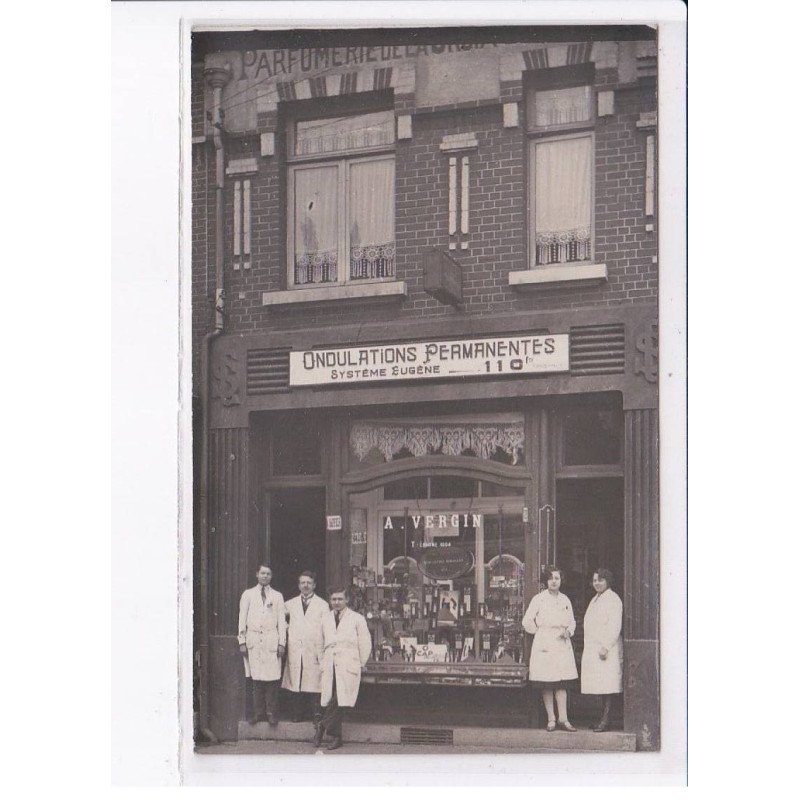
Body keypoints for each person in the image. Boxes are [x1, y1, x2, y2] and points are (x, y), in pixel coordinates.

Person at [314, 586, 372, 751]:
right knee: (333, 698)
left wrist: (361, 662)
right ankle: (336, 736)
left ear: (346, 600)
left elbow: (365, 642)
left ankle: (322, 727)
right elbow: (319, 641)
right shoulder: (325, 618)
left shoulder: (357, 618)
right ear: (330, 601)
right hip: (330, 661)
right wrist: (322, 660)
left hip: (348, 662)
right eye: (334, 599)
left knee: (340, 698)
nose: (337, 602)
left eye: (340, 599)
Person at [521, 566, 579, 732]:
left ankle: (564, 719)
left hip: (562, 644)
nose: (554, 581)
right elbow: (527, 621)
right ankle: (551, 719)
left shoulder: (565, 599)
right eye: (551, 578)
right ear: (546, 581)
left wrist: (568, 631)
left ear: (561, 581)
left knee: (562, 683)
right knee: (547, 683)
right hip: (545, 643)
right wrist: (540, 633)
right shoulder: (539, 599)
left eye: (557, 578)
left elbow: (572, 621)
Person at [238, 564, 286, 725]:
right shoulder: (248, 594)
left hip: (271, 640)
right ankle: (258, 714)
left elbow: (281, 621)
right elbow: (242, 618)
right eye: (262, 573)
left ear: (271, 576)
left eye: (268, 574)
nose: (265, 576)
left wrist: (282, 643)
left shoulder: (277, 596)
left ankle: (271, 713)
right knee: (256, 679)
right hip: (253, 640)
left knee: (272, 679)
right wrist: (242, 641)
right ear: (257, 574)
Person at [281, 571, 329, 729]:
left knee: (314, 684)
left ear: (314, 585)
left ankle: (315, 715)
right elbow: (277, 617)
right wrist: (287, 629)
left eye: (309, 582)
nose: (306, 585)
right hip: (296, 648)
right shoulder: (290, 603)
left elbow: (326, 628)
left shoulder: (322, 605)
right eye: (303, 583)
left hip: (313, 649)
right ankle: (297, 714)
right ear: (299, 585)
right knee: (296, 681)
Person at [581, 568, 623, 732]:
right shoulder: (596, 599)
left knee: (608, 686)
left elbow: (615, 625)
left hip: (607, 649)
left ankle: (607, 720)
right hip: (595, 648)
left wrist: (606, 646)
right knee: (601, 685)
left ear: (608, 581)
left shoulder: (613, 599)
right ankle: (602, 719)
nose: (597, 583)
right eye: (594, 580)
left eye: (600, 580)